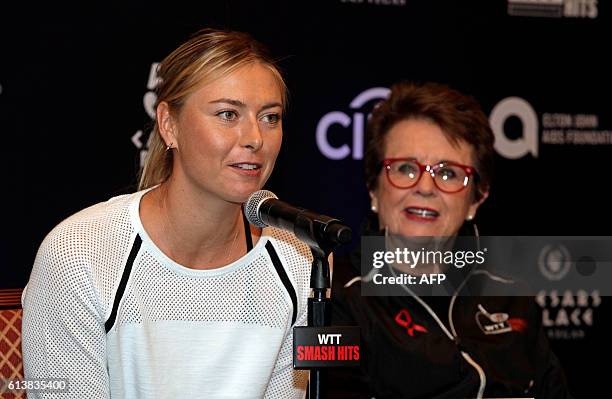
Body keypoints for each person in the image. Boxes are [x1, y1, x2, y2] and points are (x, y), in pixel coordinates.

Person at [22, 28, 311, 398]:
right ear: (168, 124)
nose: (255, 137)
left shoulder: (300, 260)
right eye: (228, 114)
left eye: (270, 117)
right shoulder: (78, 254)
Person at [325, 81, 572, 398]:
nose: (425, 187)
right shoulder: (336, 300)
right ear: (374, 188)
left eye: (448, 173)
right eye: (404, 168)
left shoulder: (512, 297)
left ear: (476, 199)